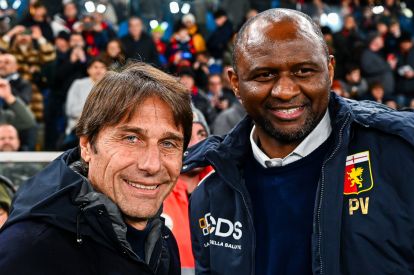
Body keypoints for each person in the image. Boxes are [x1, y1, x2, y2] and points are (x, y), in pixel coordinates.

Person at [184, 8, 414, 274]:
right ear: (235, 83)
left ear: (329, 69)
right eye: (264, 75)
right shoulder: (210, 197)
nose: (285, 91)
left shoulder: (402, 157)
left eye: (304, 71)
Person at [0, 62, 193, 274]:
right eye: (131, 138)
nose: (151, 165)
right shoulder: (30, 249)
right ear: (86, 146)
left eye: (168, 143)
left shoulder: (164, 243)